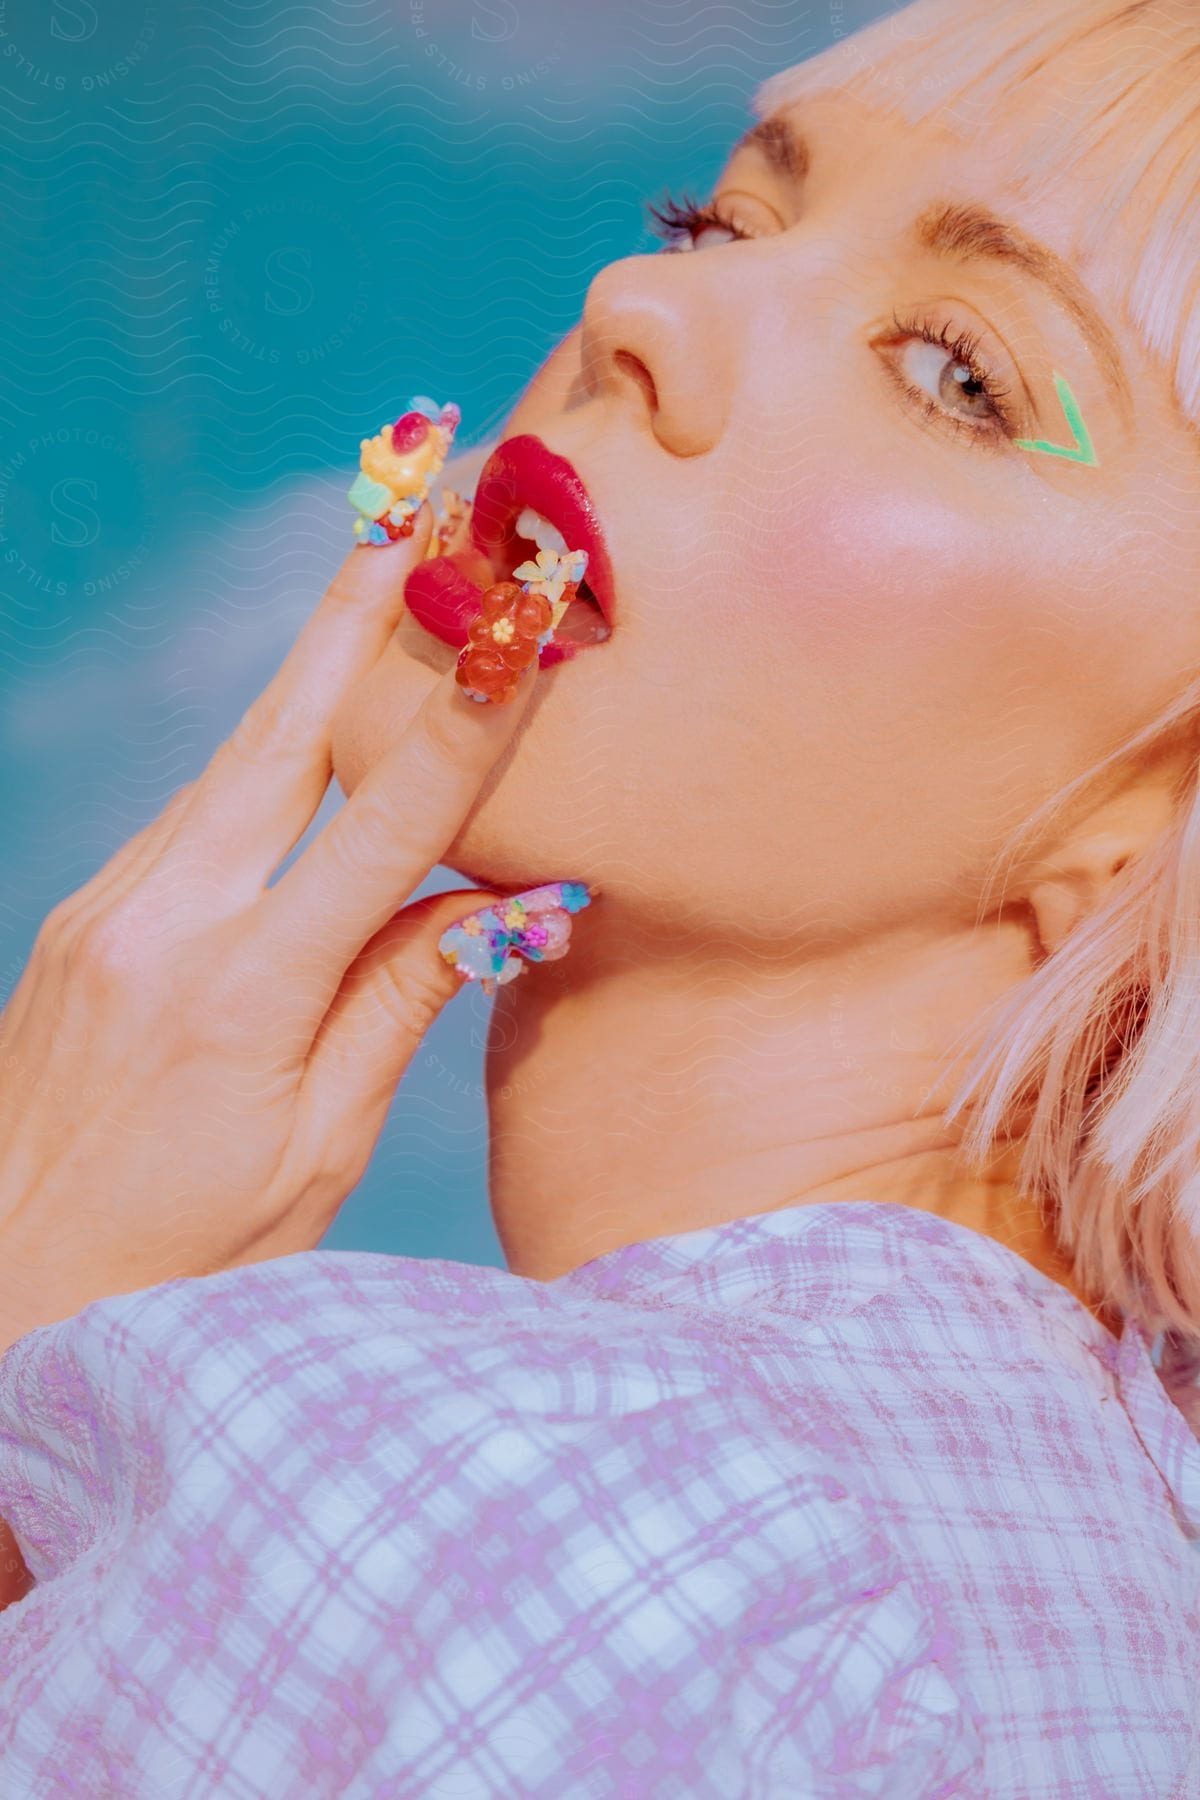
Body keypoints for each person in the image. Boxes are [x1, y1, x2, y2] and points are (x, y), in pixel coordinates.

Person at [2, 0, 1199, 1791]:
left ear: (1150, 812)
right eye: (721, 221)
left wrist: (36, 1297)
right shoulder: (1092, 1551)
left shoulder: (527, 1507)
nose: (640, 311)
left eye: (958, 370)